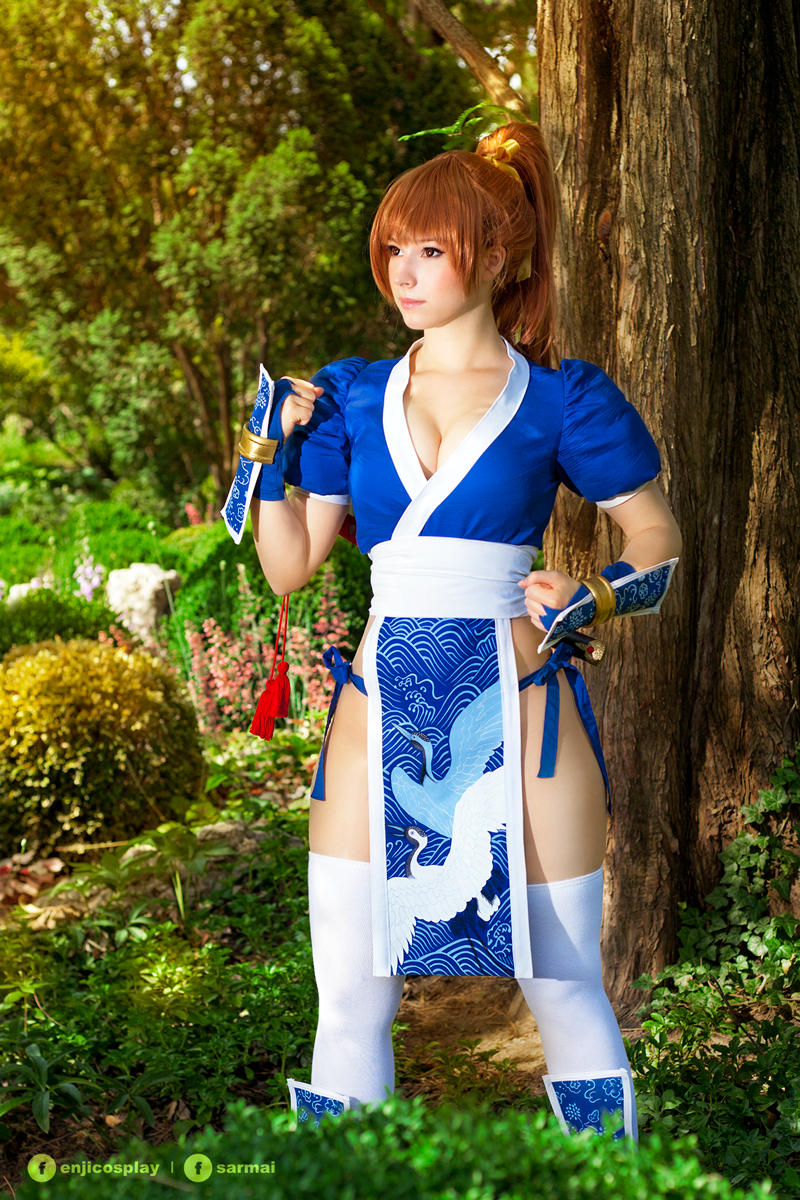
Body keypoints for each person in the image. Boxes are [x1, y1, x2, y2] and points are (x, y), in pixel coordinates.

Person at [230, 121, 682, 1137]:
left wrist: (597, 594)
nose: (403, 270)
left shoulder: (561, 399)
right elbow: (288, 566)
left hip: (524, 712)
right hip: (375, 710)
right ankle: (345, 1180)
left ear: (497, 256)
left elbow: (658, 539)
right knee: (350, 997)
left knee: (562, 986)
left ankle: (612, 1183)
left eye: (429, 248)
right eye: (393, 247)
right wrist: (266, 451)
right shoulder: (349, 395)